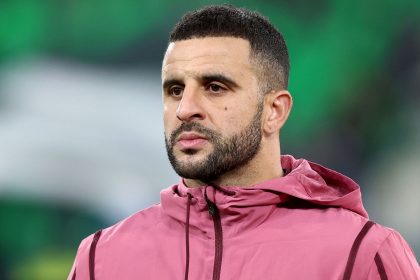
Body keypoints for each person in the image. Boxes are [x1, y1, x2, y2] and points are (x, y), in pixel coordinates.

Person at [68, 4, 419, 280]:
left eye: (215, 87)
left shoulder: (361, 253)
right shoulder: (101, 257)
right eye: (175, 90)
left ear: (275, 111)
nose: (186, 109)